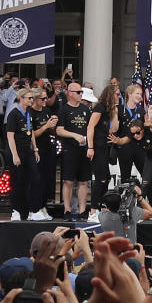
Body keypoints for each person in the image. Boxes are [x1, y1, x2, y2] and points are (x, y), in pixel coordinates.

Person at [55, 82, 91, 221]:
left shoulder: (85, 109)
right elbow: (59, 130)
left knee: (83, 181)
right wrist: (74, 135)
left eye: (81, 92)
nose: (81, 94)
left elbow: (90, 127)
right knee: (68, 181)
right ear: (70, 93)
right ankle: (67, 210)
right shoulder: (64, 110)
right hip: (69, 149)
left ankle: (82, 210)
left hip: (84, 150)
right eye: (78, 92)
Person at [6, 88, 42, 221]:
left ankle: (33, 210)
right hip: (17, 150)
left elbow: (30, 130)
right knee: (18, 181)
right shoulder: (13, 114)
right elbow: (10, 137)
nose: (31, 100)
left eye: (32, 98)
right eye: (29, 98)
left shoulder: (29, 113)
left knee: (35, 179)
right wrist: (15, 155)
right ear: (21, 98)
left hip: (28, 150)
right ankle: (15, 210)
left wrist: (35, 148)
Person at [86, 84, 119, 223]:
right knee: (100, 178)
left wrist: (115, 112)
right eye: (117, 94)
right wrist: (90, 147)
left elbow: (115, 128)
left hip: (105, 148)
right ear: (110, 95)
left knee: (106, 177)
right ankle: (93, 210)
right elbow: (90, 127)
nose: (119, 97)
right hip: (97, 147)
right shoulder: (99, 107)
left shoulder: (109, 110)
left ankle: (99, 207)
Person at [28, 87, 57, 221]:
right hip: (35, 149)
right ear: (35, 99)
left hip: (48, 148)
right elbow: (32, 134)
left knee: (47, 179)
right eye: (43, 98)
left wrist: (52, 125)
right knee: (36, 179)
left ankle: (42, 206)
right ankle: (34, 208)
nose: (46, 101)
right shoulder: (30, 112)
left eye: (46, 98)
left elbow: (50, 130)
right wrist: (46, 126)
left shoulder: (46, 110)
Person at [112, 84, 147, 185]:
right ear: (129, 94)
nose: (140, 96)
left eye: (141, 94)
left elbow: (144, 129)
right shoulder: (119, 109)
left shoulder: (141, 110)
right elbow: (114, 129)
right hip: (124, 147)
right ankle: (125, 200)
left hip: (139, 147)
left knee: (146, 176)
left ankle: (150, 201)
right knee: (125, 178)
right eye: (137, 93)